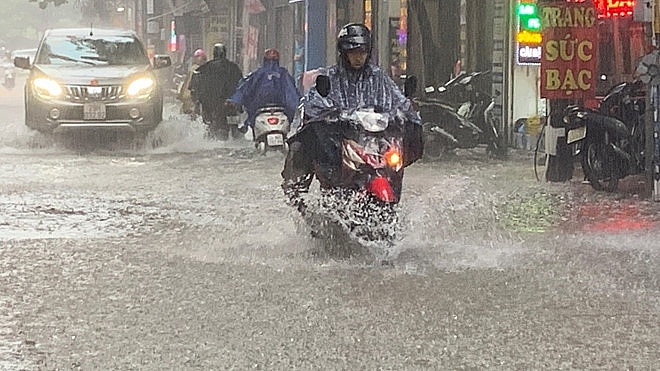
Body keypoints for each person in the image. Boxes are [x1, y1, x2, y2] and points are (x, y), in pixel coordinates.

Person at [280, 23, 423, 207]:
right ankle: (299, 197)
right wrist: (331, 114)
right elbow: (314, 102)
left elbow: (398, 101)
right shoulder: (331, 77)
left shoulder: (379, 78)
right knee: (304, 142)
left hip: (375, 140)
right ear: (343, 53)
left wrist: (405, 113)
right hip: (340, 139)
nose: (358, 57)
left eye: (362, 52)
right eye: (353, 52)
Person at [227, 48, 300, 133]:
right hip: (280, 106)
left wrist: (234, 100)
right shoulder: (283, 73)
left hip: (260, 105)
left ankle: (246, 125)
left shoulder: (258, 73)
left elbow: (245, 88)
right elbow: (291, 92)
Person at [191, 43, 243, 140]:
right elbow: (242, 85)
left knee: (210, 125)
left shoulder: (204, 69)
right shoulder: (234, 67)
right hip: (230, 105)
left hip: (213, 107)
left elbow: (195, 87)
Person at [177, 48, 207, 116]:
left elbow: (186, 83)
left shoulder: (193, 69)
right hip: (194, 98)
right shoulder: (202, 69)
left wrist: (181, 95)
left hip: (191, 98)